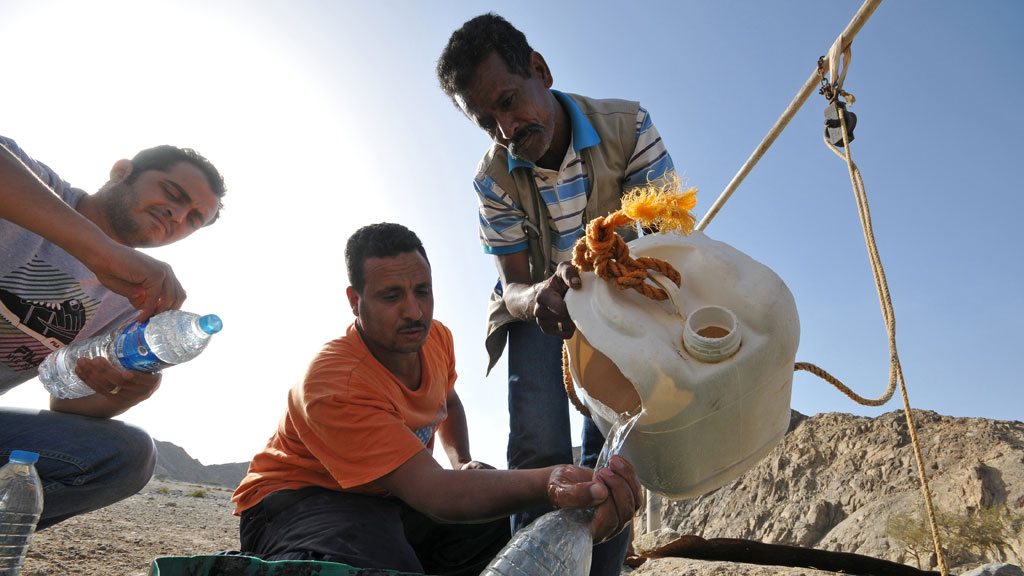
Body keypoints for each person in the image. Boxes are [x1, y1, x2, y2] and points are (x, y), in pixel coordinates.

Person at [231, 222, 641, 575]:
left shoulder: (433, 338)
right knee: (384, 565)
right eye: (391, 296)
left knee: (500, 530)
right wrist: (551, 482)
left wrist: (460, 461)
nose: (414, 311)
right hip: (298, 501)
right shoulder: (334, 383)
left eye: (422, 291)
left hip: (388, 500)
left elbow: (450, 402)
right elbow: (436, 494)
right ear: (355, 302)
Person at [436, 13, 676, 575]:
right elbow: (512, 286)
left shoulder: (630, 126)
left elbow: (669, 245)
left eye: (510, 101)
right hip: (537, 314)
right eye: (486, 120)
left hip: (622, 304)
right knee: (539, 453)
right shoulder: (492, 178)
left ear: (540, 69)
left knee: (614, 459)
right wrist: (541, 295)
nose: (505, 128)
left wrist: (607, 290)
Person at [0, 135, 226, 528]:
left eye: (193, 219)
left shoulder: (133, 301)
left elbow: (65, 405)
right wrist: (101, 250)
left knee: (126, 453)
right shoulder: (33, 185)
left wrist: (119, 394)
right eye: (173, 193)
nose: (177, 216)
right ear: (122, 172)